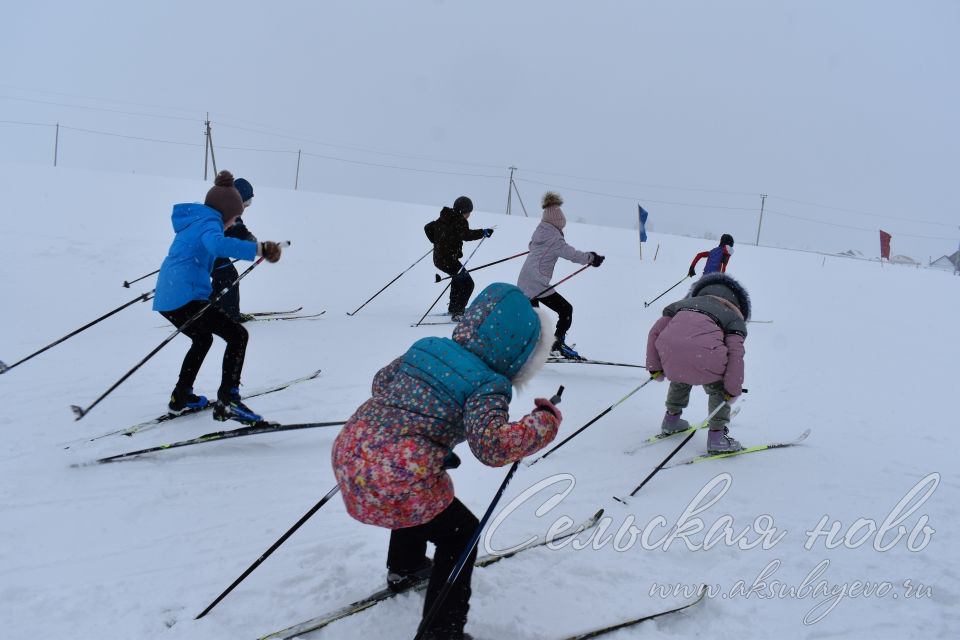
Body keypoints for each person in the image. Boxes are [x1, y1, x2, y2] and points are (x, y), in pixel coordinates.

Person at [332, 283, 560, 640]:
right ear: (519, 353)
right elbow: (493, 448)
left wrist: (425, 433)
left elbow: (382, 383)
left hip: (351, 450)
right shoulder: (489, 383)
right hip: (399, 476)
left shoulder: (428, 346)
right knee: (461, 534)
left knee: (419, 491)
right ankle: (442, 632)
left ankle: (405, 565)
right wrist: (541, 424)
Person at [152, 170, 283, 423]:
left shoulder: (196, 220)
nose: (234, 223)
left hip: (168, 296)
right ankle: (229, 401)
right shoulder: (210, 223)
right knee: (238, 335)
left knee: (202, 340)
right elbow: (216, 245)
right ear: (225, 212)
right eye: (234, 218)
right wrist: (259, 249)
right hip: (185, 295)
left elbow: (200, 255)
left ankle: (181, 397)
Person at [645, 272, 750, 453]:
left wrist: (655, 368)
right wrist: (732, 389)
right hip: (706, 359)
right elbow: (736, 353)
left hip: (670, 354)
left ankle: (671, 419)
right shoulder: (733, 317)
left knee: (681, 373)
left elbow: (654, 332)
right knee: (719, 389)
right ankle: (717, 437)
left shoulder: (682, 305)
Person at [516, 192, 604, 360]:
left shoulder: (539, 232)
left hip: (524, 280)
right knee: (566, 310)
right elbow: (572, 254)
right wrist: (592, 257)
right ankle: (557, 343)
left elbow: (531, 245)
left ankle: (537, 345)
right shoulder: (555, 239)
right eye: (561, 225)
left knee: (537, 317)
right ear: (557, 223)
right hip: (537, 282)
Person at [424, 196, 492, 320]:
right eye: (468, 212)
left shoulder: (445, 217)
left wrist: (438, 241)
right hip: (448, 260)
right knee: (468, 283)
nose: (469, 215)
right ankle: (458, 312)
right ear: (463, 211)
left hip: (439, 259)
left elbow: (427, 227)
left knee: (458, 279)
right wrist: (483, 232)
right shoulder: (459, 220)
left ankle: (453, 308)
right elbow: (466, 235)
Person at [211, 177, 256, 322]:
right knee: (229, 277)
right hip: (208, 251)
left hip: (208, 250)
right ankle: (229, 315)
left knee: (223, 276)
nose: (246, 206)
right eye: (246, 202)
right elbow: (239, 233)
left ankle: (214, 309)